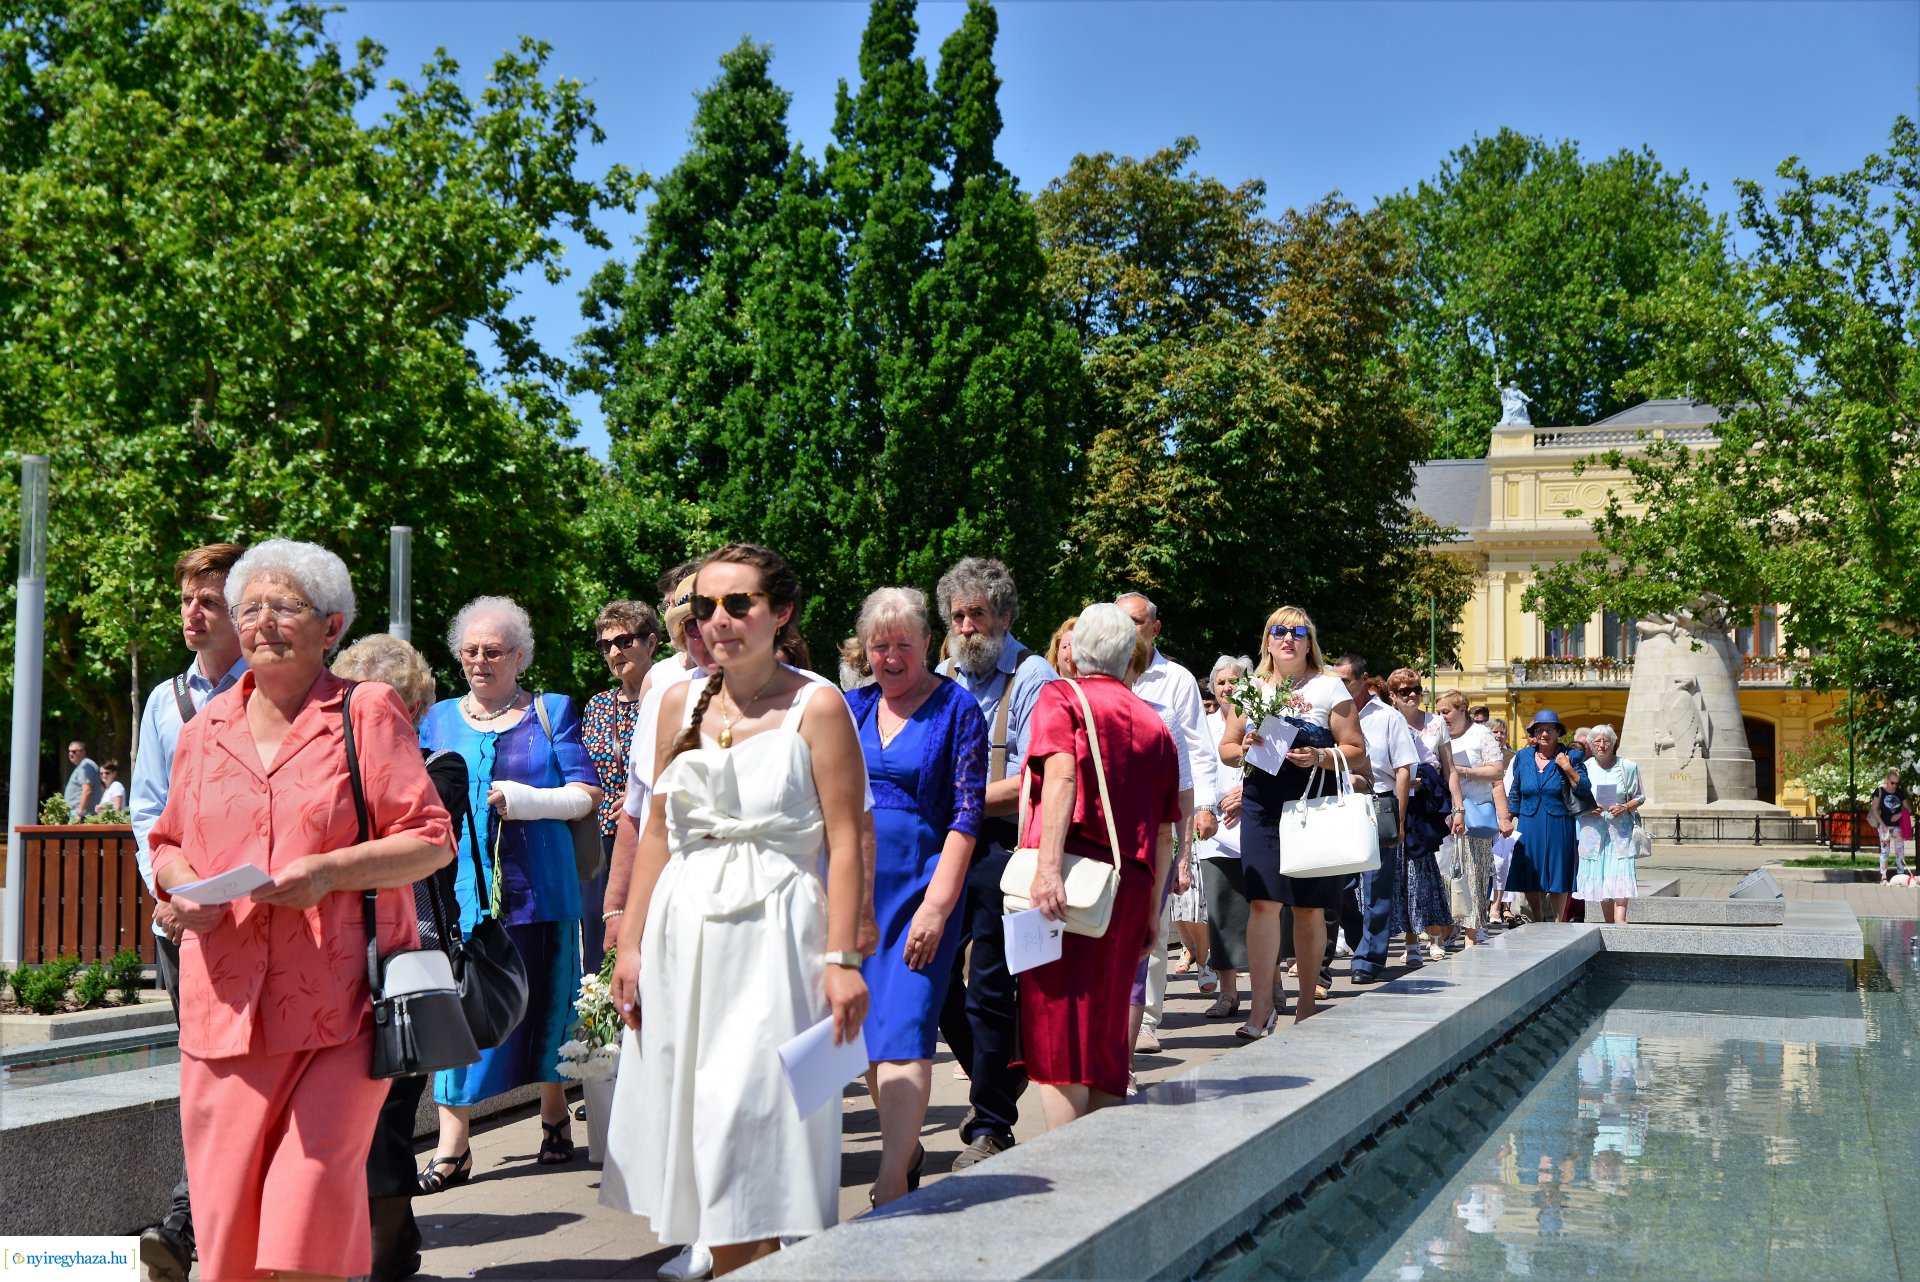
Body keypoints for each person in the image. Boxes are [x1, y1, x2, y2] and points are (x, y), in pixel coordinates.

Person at [146, 539, 453, 1282]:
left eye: (283, 607)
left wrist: (330, 871)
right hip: (223, 1008)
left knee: (304, 1214)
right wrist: (183, 888)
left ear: (331, 626)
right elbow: (166, 842)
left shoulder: (366, 710)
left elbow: (429, 840)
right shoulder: (200, 731)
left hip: (339, 1009)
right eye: (249, 608)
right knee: (227, 1237)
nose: (261, 622)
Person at [601, 544, 869, 1277]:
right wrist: (629, 944)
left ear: (779, 613)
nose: (719, 621)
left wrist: (844, 959)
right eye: (704, 607)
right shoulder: (673, 705)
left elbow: (847, 841)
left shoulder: (818, 705)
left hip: (779, 939)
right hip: (685, 937)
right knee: (699, 1138)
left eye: (738, 604)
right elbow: (656, 831)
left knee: (750, 1128)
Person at [418, 596, 602, 1185]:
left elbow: (585, 794)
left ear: (520, 656)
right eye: (470, 651)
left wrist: (527, 803)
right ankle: (453, 1144)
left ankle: (553, 1116)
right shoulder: (439, 718)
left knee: (550, 1005)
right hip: (460, 896)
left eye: (493, 651)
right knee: (458, 1014)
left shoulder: (553, 711)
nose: (479, 660)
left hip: (544, 891)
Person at [331, 634, 471, 1282]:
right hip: (338, 964)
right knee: (360, 1118)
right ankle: (397, 1241)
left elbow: (402, 837)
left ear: (410, 708)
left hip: (410, 965)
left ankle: (383, 1262)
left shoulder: (438, 766)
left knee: (386, 1119)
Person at [842, 587, 987, 1205]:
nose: (893, 657)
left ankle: (891, 1177)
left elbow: (967, 811)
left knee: (906, 1026)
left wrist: (938, 904)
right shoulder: (846, 709)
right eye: (881, 647)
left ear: (931, 643)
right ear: (864, 652)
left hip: (924, 888)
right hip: (857, 891)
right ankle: (906, 1147)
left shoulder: (957, 710)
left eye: (905, 644)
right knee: (874, 1036)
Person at [129, 541, 247, 1282]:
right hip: (181, 925)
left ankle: (192, 1220)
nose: (192, 614)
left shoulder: (272, 691)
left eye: (208, 601)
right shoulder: (163, 702)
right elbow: (146, 809)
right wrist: (170, 894)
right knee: (203, 1071)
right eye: (185, 601)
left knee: (235, 1075)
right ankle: (193, 1219)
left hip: (258, 919)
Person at [1016, 604, 1181, 1128]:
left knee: (1058, 1020)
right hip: (1128, 885)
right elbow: (1162, 830)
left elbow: (1061, 780)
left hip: (1071, 875)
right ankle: (1105, 1156)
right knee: (1109, 1024)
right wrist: (1154, 910)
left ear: (1079, 648)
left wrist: (1045, 870)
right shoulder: (1155, 722)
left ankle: (1067, 1161)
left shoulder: (1061, 698)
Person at [932, 557, 1058, 1169]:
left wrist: (956, 798)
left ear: (1005, 617)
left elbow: (1033, 782)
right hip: (946, 843)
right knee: (929, 976)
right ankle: (1002, 1074)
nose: (965, 627)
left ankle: (991, 1126)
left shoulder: (1034, 677)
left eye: (976, 614)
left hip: (1002, 846)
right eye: (956, 616)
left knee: (987, 984)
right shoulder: (940, 674)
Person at [1217, 606, 1369, 1034]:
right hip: (1261, 806)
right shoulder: (1251, 688)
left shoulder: (1328, 687)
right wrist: (1245, 745)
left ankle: (1305, 1006)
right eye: (1279, 631)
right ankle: (1260, 1007)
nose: (1289, 638)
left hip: (1312, 807)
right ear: (1267, 640)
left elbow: (1356, 749)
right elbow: (1226, 748)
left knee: (1307, 908)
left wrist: (1320, 756)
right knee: (1263, 902)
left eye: (1298, 632)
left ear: (1309, 641)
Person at [1115, 593, 1221, 1054]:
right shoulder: (1100, 669)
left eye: (1136, 622)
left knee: (1151, 916)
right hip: (1109, 816)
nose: (1128, 630)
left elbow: (1198, 745)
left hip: (1159, 812)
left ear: (1154, 629)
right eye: (1120, 622)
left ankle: (1146, 1018)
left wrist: (1206, 805)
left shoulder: (1174, 678)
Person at [580, 600, 662, 974]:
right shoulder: (597, 706)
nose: (614, 651)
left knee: (648, 933)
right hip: (600, 842)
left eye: (624, 640)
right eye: (606, 644)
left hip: (650, 835)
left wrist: (641, 792)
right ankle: (602, 1026)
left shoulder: (671, 698)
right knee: (599, 939)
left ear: (652, 643)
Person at [1333, 657, 1418, 985]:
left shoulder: (1388, 717)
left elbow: (1403, 769)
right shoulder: (1333, 715)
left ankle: (1369, 958)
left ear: (1364, 679)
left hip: (1378, 802)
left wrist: (1398, 817)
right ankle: (1360, 939)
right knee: (1338, 884)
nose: (1341, 688)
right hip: (1339, 806)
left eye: (1346, 681)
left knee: (1377, 886)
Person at [1387, 669, 1465, 963]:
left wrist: (1458, 808)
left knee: (1427, 871)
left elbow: (1450, 768)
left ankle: (1434, 938)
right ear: (1392, 695)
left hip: (1428, 804)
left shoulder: (1435, 723)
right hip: (1396, 801)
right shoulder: (1386, 721)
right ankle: (1410, 944)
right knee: (1402, 874)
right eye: (1404, 690)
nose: (1411, 695)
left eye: (1416, 689)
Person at [1196, 656, 1252, 1019]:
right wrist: (1211, 805)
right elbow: (1198, 767)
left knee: (1262, 910)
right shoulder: (1203, 724)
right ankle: (1228, 993)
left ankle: (1272, 988)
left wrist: (1245, 795)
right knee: (1220, 914)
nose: (1227, 688)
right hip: (1215, 829)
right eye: (1221, 683)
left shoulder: (1258, 718)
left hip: (1254, 823)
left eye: (1234, 681)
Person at [1503, 709, 1593, 924]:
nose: (1544, 734)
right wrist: (1506, 817)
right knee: (1530, 869)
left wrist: (1567, 766)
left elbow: (1584, 787)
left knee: (1558, 870)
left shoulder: (1571, 755)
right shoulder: (1523, 756)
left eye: (1550, 730)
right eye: (1539, 730)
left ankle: (1559, 920)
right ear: (1533, 734)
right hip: (1528, 819)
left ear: (1558, 732)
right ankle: (1537, 915)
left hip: (1559, 820)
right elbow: (1515, 789)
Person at [1437, 689, 1510, 945]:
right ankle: (1448, 927)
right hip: (1445, 815)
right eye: (1439, 712)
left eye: (1446, 711)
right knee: (1445, 875)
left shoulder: (1480, 734)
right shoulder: (1439, 734)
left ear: (1463, 709)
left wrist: (1462, 771)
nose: (1442, 717)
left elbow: (1497, 771)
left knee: (1474, 875)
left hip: (1475, 812)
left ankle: (1471, 934)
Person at [1575, 724, 1645, 921]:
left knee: (1621, 871)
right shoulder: (1584, 768)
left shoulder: (1628, 767)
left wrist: (1624, 807)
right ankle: (1608, 922)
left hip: (1620, 832)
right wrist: (1588, 807)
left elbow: (1640, 797)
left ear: (1614, 743)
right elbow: (1575, 799)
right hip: (1593, 832)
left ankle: (1621, 920)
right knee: (1601, 876)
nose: (1602, 745)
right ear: (1590, 745)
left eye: (1606, 741)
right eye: (1597, 741)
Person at [1869, 769, 1911, 884]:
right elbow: (1874, 809)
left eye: (1897, 783)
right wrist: (1883, 825)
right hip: (1884, 825)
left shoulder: (1900, 792)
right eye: (1892, 783)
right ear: (1887, 781)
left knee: (1900, 850)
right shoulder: (1879, 791)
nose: (1894, 786)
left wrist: (1899, 814)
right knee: (1884, 851)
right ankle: (1883, 875)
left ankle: (1901, 873)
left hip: (1897, 826)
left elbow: (1908, 809)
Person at [63, 740, 104, 817]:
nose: (70, 754)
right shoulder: (82, 766)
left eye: (74, 751)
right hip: (77, 814)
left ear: (83, 752)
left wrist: (79, 813)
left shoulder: (85, 766)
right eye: (69, 751)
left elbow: (87, 790)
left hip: (81, 816)